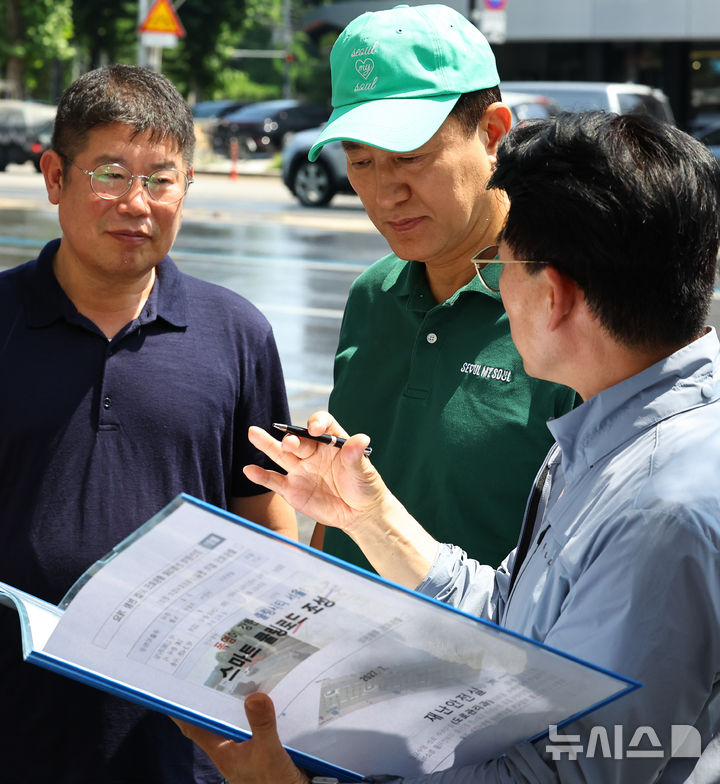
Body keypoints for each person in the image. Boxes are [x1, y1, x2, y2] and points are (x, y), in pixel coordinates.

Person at [178, 112, 720, 783]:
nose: (496, 286)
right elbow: (519, 625)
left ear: (552, 295)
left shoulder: (662, 511)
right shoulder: (613, 434)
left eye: (501, 266)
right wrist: (368, 518)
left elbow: (562, 773)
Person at [0, 64, 296, 784]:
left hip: (180, 739)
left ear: (186, 189)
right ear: (54, 176)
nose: (137, 202)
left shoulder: (236, 333)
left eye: (161, 179)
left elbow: (265, 516)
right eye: (109, 172)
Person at [307, 3, 578, 571]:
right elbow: (336, 515)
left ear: (493, 132)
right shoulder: (372, 294)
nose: (384, 194)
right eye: (359, 161)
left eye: (411, 157)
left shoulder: (570, 305)